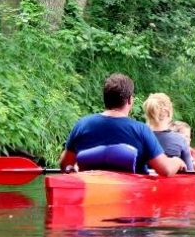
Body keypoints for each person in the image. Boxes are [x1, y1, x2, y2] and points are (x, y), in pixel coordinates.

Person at [59, 73, 187, 176]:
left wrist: (74, 169)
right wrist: (177, 161)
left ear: (105, 98)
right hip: (132, 196)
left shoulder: (81, 125)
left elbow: (65, 165)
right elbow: (165, 170)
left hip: (91, 189)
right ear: (130, 100)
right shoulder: (141, 130)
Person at [143, 93, 194, 172]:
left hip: (144, 181)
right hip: (172, 183)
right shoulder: (181, 140)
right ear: (169, 113)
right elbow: (190, 172)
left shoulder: (137, 139)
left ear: (148, 114)